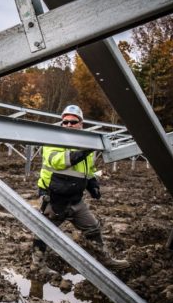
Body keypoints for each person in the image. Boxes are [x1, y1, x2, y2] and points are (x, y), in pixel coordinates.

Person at [32, 104, 129, 271]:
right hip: (54, 198)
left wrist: (92, 184)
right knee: (44, 231)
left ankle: (105, 261)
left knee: (93, 228)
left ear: (81, 124)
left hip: (75, 199)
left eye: (73, 122)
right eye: (65, 122)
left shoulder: (84, 143)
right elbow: (58, 161)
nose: (68, 125)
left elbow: (87, 169)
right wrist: (84, 151)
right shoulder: (53, 139)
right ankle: (37, 266)